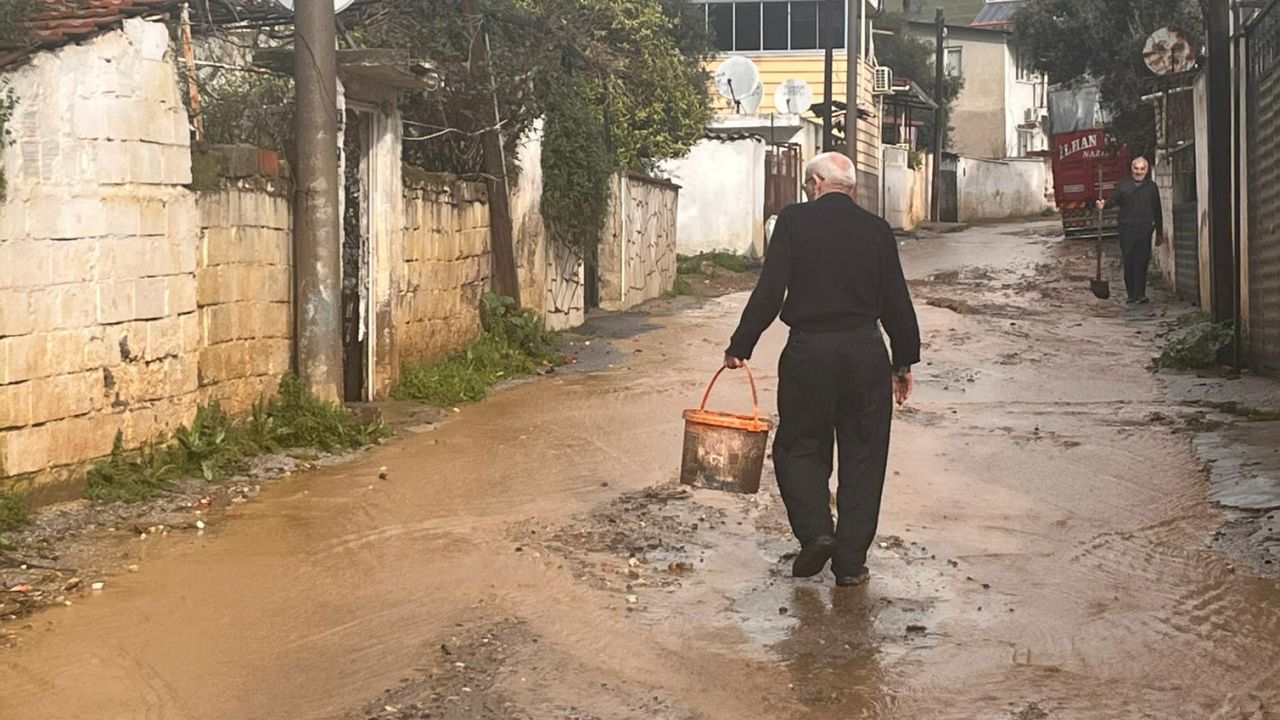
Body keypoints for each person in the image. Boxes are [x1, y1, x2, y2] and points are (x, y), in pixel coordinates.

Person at [723, 152, 920, 587]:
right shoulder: (877, 230)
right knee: (864, 456)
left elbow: (770, 290)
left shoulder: (794, 221)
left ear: (815, 183)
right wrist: (902, 360)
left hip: (808, 354)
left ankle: (816, 533)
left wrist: (740, 345)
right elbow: (896, 301)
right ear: (851, 188)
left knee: (798, 447)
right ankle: (849, 565)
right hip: (865, 353)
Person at [1095, 156, 1166, 304]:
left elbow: (1157, 210)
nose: (1139, 172)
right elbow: (1114, 200)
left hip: (1145, 229)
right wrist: (1104, 205)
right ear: (1131, 169)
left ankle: (1140, 294)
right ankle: (1131, 294)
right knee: (1129, 260)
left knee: (1142, 261)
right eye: (1136, 168)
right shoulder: (1123, 185)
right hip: (1126, 228)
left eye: (1142, 169)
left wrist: (1159, 232)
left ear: (1147, 170)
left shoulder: (1151, 187)